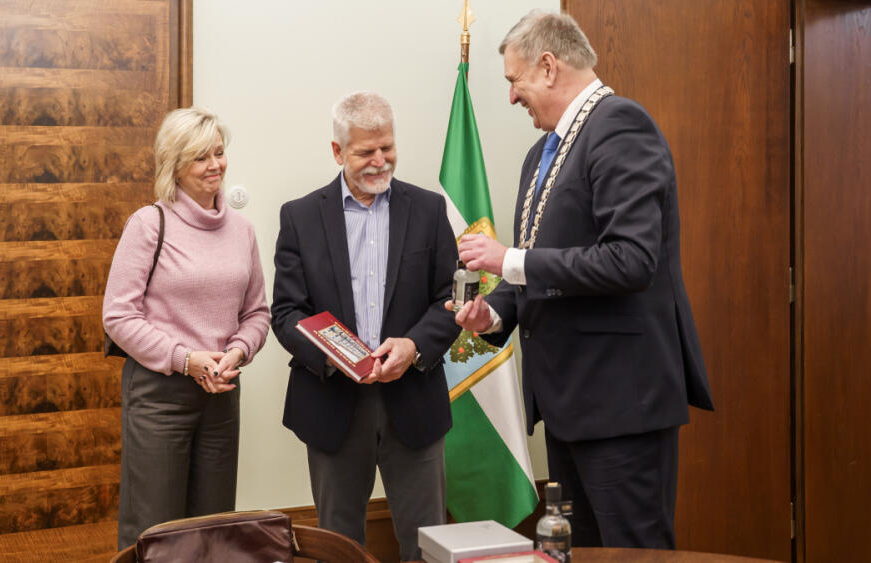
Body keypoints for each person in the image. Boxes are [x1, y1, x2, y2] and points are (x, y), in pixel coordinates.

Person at [450, 11, 714, 549]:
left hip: (621, 404)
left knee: (633, 555)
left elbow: (630, 260)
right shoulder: (540, 153)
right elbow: (543, 262)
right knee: (582, 553)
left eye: (514, 80)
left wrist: (507, 260)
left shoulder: (620, 126)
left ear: (548, 67)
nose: (511, 96)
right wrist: (494, 313)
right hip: (567, 405)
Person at [271, 91, 460, 561]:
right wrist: (336, 357)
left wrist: (414, 346)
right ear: (338, 152)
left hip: (414, 402)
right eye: (365, 152)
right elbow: (287, 312)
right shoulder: (300, 216)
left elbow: (451, 301)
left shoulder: (429, 210)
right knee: (338, 546)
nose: (380, 161)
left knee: (427, 546)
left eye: (387, 147)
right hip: (332, 405)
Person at [103, 107, 270, 549]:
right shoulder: (148, 224)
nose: (215, 165)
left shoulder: (243, 231)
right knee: (154, 530)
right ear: (174, 166)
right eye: (200, 157)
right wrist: (186, 360)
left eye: (219, 152)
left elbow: (257, 313)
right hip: (160, 397)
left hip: (221, 394)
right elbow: (118, 316)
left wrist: (236, 353)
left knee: (213, 529)